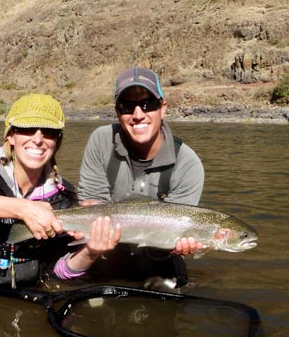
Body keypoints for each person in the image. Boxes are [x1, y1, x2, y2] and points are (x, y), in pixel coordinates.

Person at [0, 94, 120, 331]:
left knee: (96, 307)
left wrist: (91, 253)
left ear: (57, 142)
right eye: (27, 129)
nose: (38, 139)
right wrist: (22, 208)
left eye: (48, 132)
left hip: (30, 284)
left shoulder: (64, 198)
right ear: (11, 136)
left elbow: (57, 272)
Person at [78, 67, 205, 288]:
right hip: (106, 250)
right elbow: (93, 201)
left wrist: (178, 245)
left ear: (163, 108)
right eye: (127, 106)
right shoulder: (101, 140)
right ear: (118, 112)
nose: (138, 114)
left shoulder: (187, 163)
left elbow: (178, 227)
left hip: (160, 257)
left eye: (148, 104)